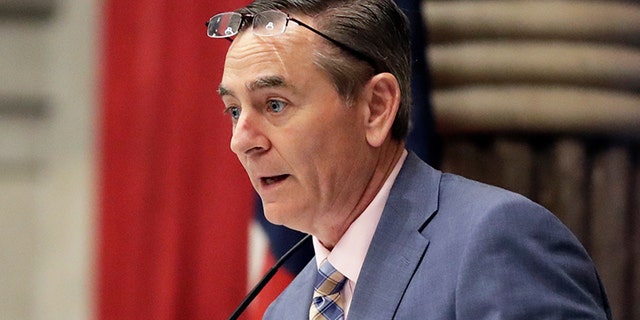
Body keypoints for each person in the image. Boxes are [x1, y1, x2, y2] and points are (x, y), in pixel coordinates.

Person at [208, 0, 611, 318]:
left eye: (275, 104)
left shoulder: (496, 244)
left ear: (376, 108)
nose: (241, 141)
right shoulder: (286, 310)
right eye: (234, 110)